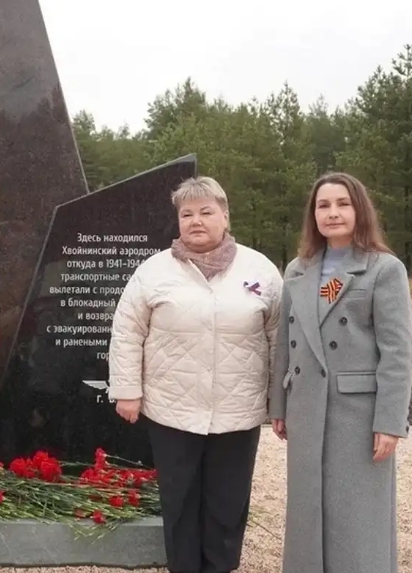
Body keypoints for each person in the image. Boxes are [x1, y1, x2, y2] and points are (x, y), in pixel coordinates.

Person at [107, 176, 283, 573]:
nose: (196, 221)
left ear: (225, 216)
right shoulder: (154, 271)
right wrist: (127, 390)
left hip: (237, 410)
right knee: (180, 499)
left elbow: (279, 338)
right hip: (173, 409)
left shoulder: (261, 270)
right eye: (187, 214)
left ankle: (221, 567)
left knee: (228, 501)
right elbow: (128, 331)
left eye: (206, 212)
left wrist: (279, 401)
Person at [268, 172, 412, 573]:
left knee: (355, 514)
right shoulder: (298, 269)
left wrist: (390, 421)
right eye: (323, 205)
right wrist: (278, 404)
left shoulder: (384, 269)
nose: (332, 213)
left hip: (357, 415)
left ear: (359, 210)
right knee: (307, 507)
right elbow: (286, 342)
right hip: (305, 407)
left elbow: (398, 353)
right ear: (313, 215)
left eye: (342, 204)